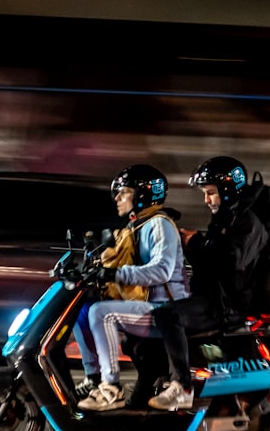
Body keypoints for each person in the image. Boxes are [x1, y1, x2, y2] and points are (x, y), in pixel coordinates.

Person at [147, 156, 270, 411]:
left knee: (169, 315)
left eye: (210, 193)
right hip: (213, 296)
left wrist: (195, 243)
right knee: (150, 312)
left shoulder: (247, 222)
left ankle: (181, 387)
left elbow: (230, 259)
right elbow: (212, 259)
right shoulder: (228, 218)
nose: (206, 200)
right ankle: (147, 384)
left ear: (227, 191)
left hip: (225, 305)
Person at [73, 164, 189, 412]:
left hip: (164, 308)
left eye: (124, 192)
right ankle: (93, 377)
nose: (117, 198)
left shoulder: (160, 224)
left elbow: (162, 271)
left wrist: (116, 274)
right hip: (147, 306)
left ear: (143, 194)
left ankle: (111, 386)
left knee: (101, 313)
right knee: (82, 309)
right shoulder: (135, 226)